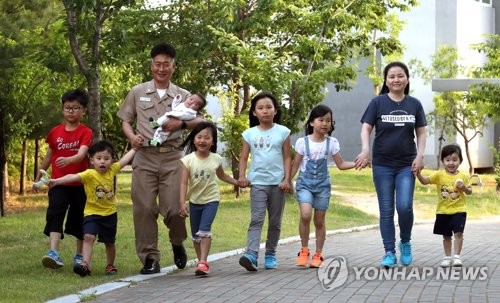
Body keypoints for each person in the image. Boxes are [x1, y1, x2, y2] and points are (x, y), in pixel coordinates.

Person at [117, 43, 204, 274]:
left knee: (175, 209)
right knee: (144, 209)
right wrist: (131, 136)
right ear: (151, 65)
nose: (161, 68)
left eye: (166, 64)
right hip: (144, 156)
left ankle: (177, 242)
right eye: (157, 64)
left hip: (173, 158)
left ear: (174, 67)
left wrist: (182, 123)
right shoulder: (137, 91)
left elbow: (201, 122)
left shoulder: (184, 95)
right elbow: (125, 120)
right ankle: (150, 258)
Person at [355, 61, 427, 268]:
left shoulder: (414, 104)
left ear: (407, 79)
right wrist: (366, 150)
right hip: (382, 164)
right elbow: (366, 129)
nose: (396, 80)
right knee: (386, 210)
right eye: (391, 76)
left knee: (404, 206)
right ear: (386, 81)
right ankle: (389, 252)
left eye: (400, 76)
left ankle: (405, 242)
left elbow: (421, 132)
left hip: (407, 164)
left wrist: (420, 155)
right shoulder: (377, 103)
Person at [48, 140, 136, 277]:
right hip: (92, 213)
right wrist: (57, 181)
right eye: (99, 158)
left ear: (112, 161)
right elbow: (72, 177)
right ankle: (86, 265)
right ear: (92, 161)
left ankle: (110, 265)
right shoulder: (89, 174)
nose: (102, 162)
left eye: (106, 159)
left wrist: (134, 149)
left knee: (109, 242)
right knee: (88, 237)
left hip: (110, 214)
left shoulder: (112, 170)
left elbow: (124, 160)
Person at [290, 104, 358, 268]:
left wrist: (358, 163)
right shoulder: (302, 142)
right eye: (321, 120)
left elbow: (340, 164)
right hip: (305, 183)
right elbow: (295, 165)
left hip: (322, 186)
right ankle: (304, 249)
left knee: (319, 221)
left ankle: (318, 254)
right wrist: (286, 180)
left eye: (328, 120)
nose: (325, 123)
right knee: (306, 215)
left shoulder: (332, 143)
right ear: (312, 122)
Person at [33, 88, 93, 271]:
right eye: (67, 108)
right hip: (57, 183)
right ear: (62, 109)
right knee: (55, 213)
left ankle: (79, 255)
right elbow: (50, 154)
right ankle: (53, 253)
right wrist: (40, 173)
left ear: (83, 111)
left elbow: (82, 153)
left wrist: (70, 159)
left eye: (75, 108)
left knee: (78, 219)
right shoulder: (55, 132)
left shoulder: (86, 132)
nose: (71, 111)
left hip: (79, 183)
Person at [238, 92, 292, 271]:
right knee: (257, 219)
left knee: (275, 222)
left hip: (278, 183)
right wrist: (242, 176)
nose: (265, 111)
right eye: (260, 108)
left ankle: (270, 254)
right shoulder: (249, 134)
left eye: (269, 107)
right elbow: (244, 158)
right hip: (258, 183)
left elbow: (286, 158)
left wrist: (287, 179)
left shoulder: (283, 132)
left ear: (275, 110)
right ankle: (251, 254)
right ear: (254, 112)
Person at [179, 121, 240, 276]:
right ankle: (201, 262)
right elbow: (183, 182)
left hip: (211, 199)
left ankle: (203, 261)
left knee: (204, 230)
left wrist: (236, 182)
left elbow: (222, 175)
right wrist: (182, 202)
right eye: (199, 137)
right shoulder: (187, 160)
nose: (202, 141)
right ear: (194, 139)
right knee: (195, 236)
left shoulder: (216, 159)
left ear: (212, 142)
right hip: (194, 201)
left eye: (207, 138)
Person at [416, 144, 471, 267]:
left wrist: (464, 188)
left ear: (460, 161)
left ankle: (457, 257)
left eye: (454, 160)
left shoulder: (463, 176)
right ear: (443, 161)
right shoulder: (438, 175)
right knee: (446, 236)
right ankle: (447, 257)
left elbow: (470, 191)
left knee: (459, 233)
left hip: (459, 210)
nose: (451, 163)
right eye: (447, 160)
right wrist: (418, 174)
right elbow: (425, 181)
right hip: (443, 211)